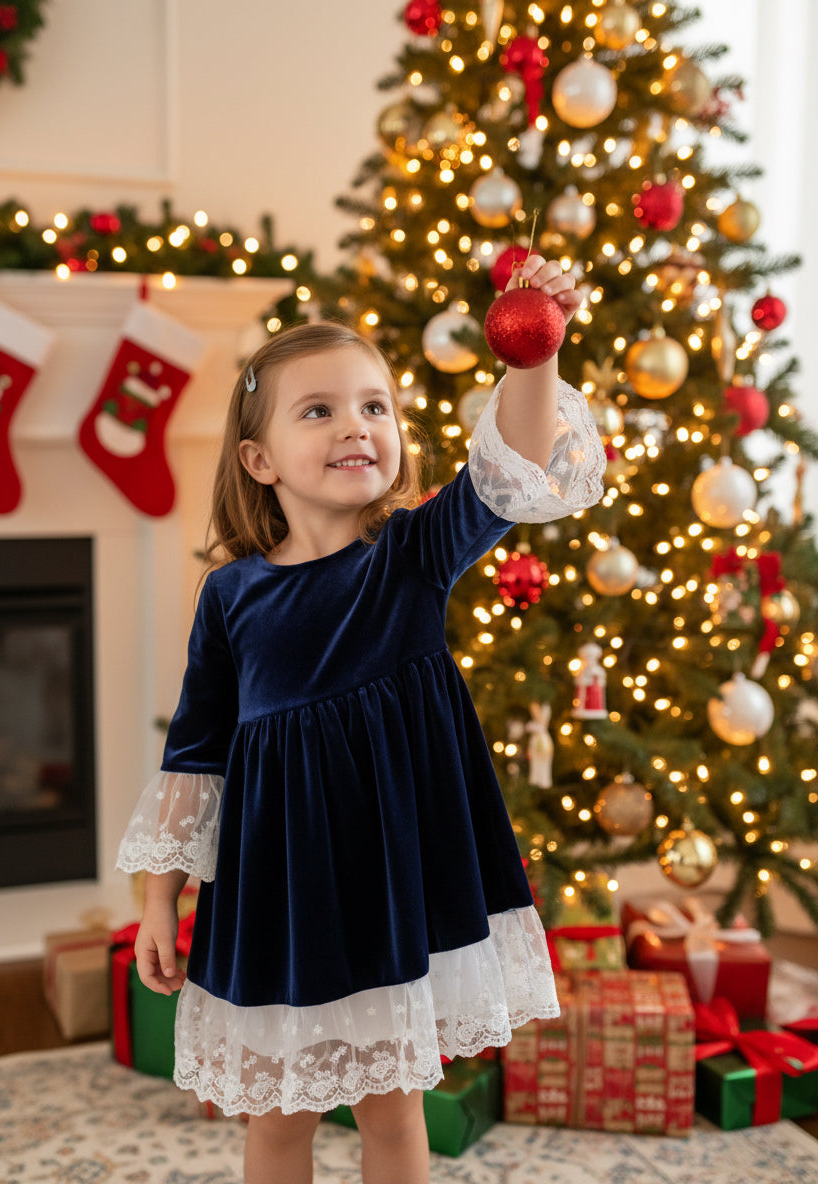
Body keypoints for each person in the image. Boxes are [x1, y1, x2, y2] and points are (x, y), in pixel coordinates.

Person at [117, 255, 605, 1184]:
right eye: (320, 411)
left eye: (375, 406)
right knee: (278, 1120)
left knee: (393, 1111)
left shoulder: (412, 553)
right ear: (259, 461)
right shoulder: (231, 597)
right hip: (279, 892)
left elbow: (512, 466)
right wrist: (157, 902)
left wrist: (536, 350)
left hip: (390, 884)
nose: (356, 425)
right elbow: (195, 755)